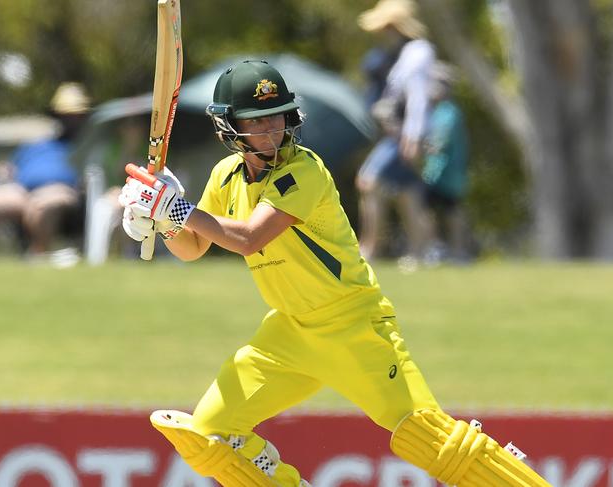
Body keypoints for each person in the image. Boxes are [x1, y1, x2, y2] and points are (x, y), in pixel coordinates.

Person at [118, 60, 550, 486]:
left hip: (352, 325)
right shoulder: (226, 176)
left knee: (429, 438)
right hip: (289, 334)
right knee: (211, 436)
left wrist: (176, 207)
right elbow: (193, 249)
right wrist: (160, 221)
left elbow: (250, 238)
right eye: (258, 122)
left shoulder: (304, 171)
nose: (272, 131)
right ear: (230, 128)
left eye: (278, 118)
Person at [355, 0, 436, 262]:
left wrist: (412, 138)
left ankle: (370, 248)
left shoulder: (416, 52)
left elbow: (417, 99)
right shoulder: (398, 55)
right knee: (407, 192)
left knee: (368, 180)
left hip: (404, 136)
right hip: (399, 134)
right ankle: (420, 250)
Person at [0, 82, 89, 255]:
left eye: (76, 116)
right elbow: (10, 168)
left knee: (43, 203)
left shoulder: (87, 148)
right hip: (23, 191)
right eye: (66, 116)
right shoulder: (38, 145)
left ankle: (36, 257)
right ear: (57, 116)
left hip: (61, 193)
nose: (70, 121)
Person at [417, 62, 471, 263]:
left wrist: (419, 146)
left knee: (451, 212)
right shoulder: (436, 110)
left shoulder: (450, 112)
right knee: (429, 209)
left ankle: (456, 251)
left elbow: (439, 142)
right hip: (434, 172)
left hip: (446, 174)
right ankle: (437, 247)